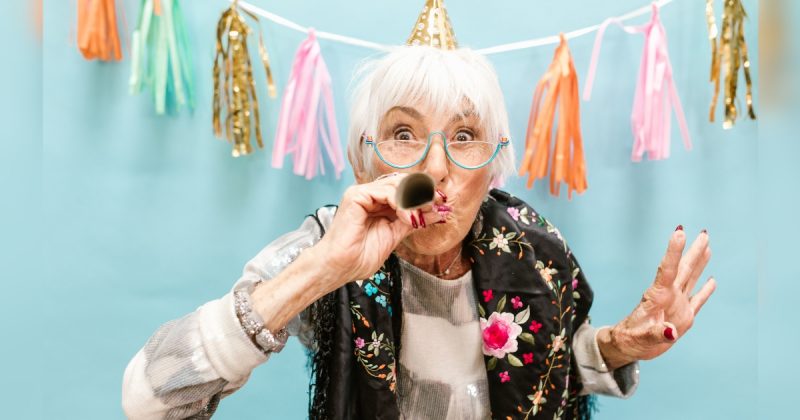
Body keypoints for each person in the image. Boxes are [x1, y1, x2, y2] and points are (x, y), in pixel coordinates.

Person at [122, 45, 715, 420]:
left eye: (463, 136)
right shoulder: (328, 247)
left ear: (495, 168)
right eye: (404, 134)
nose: (435, 170)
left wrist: (618, 346)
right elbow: (148, 399)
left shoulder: (534, 251)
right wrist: (321, 272)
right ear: (364, 162)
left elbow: (555, 369)